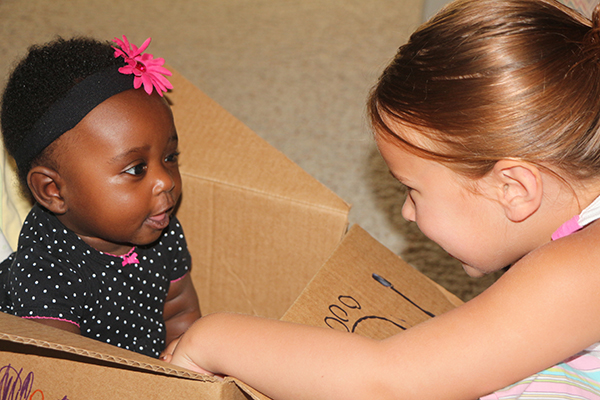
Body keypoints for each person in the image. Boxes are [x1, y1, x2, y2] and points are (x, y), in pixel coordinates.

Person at [166, 0, 600, 398]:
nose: (405, 213)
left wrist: (212, 339)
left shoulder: (578, 271)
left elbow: (386, 384)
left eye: (412, 190)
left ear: (513, 189)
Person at [0, 35, 201, 359]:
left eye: (170, 156)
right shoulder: (45, 271)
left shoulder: (160, 226)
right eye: (136, 169)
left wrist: (183, 364)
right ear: (53, 190)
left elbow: (179, 313)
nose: (165, 181)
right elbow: (68, 375)